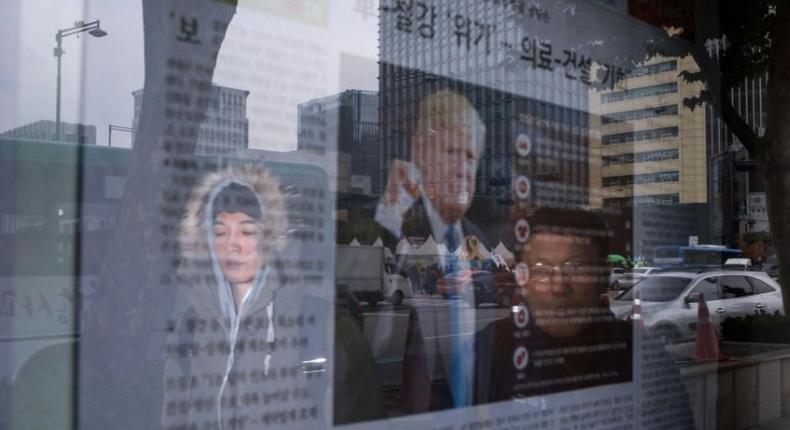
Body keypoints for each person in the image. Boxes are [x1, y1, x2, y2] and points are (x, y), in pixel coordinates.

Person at [161, 164, 328, 429]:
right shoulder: (191, 324)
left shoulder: (309, 319)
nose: (232, 244)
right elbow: (175, 417)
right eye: (220, 232)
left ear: (269, 238)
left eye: (247, 231)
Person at [375, 88, 490, 254]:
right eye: (452, 152)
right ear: (421, 152)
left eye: (471, 157)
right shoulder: (393, 222)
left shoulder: (480, 241)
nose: (463, 170)